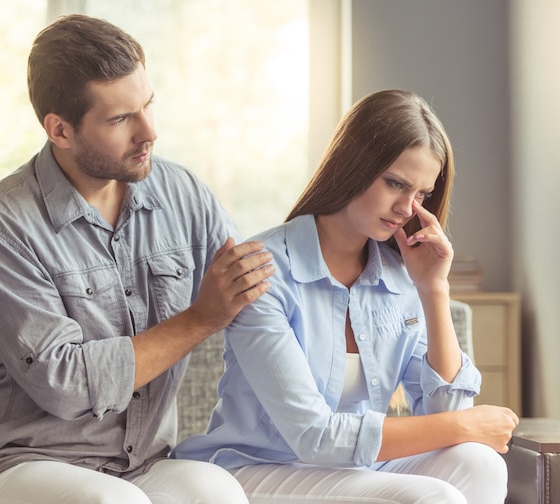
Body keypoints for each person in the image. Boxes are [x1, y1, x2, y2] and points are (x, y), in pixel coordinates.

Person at [0, 14, 275, 504]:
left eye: (147, 105)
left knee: (217, 491)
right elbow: (67, 383)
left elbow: (259, 300)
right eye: (120, 119)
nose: (148, 132)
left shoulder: (182, 194)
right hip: (23, 464)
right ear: (60, 130)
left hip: (142, 463)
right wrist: (201, 319)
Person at [172, 89, 519, 503]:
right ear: (354, 165)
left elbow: (448, 412)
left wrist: (433, 289)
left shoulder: (400, 275)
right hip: (260, 469)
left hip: (354, 470)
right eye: (395, 183)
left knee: (480, 465)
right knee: (430, 496)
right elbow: (314, 436)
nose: (407, 208)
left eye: (422, 194)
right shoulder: (264, 271)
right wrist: (464, 426)